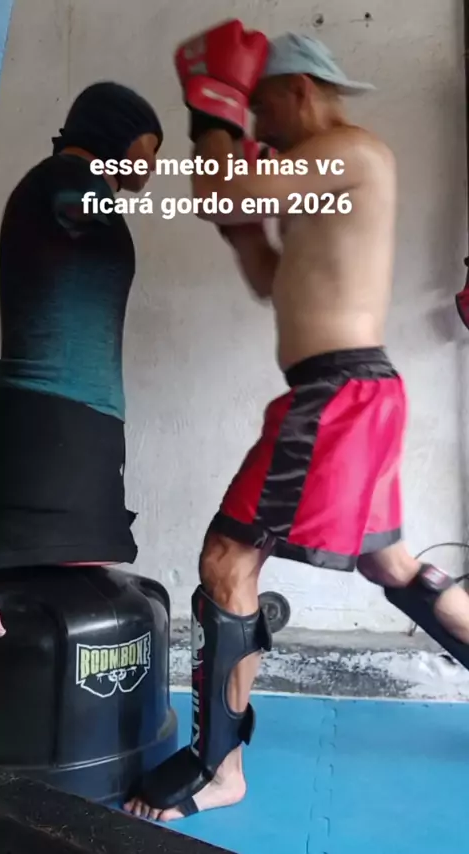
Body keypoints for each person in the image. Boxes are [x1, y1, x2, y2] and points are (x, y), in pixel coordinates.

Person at [124, 22, 469, 822]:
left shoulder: (350, 150)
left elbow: (220, 190)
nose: (258, 126)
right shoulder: (326, 174)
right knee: (393, 567)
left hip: (335, 397)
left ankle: (219, 769)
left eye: (261, 107)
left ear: (298, 90)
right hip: (354, 392)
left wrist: (209, 110)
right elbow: (270, 278)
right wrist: (242, 228)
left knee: (227, 559)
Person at [0, 81, 163, 637]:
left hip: (78, 419)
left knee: (73, 584)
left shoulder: (76, 186)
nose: (153, 164)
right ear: (117, 135)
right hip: (50, 416)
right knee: (31, 595)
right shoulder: (65, 178)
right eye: (150, 146)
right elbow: (76, 211)